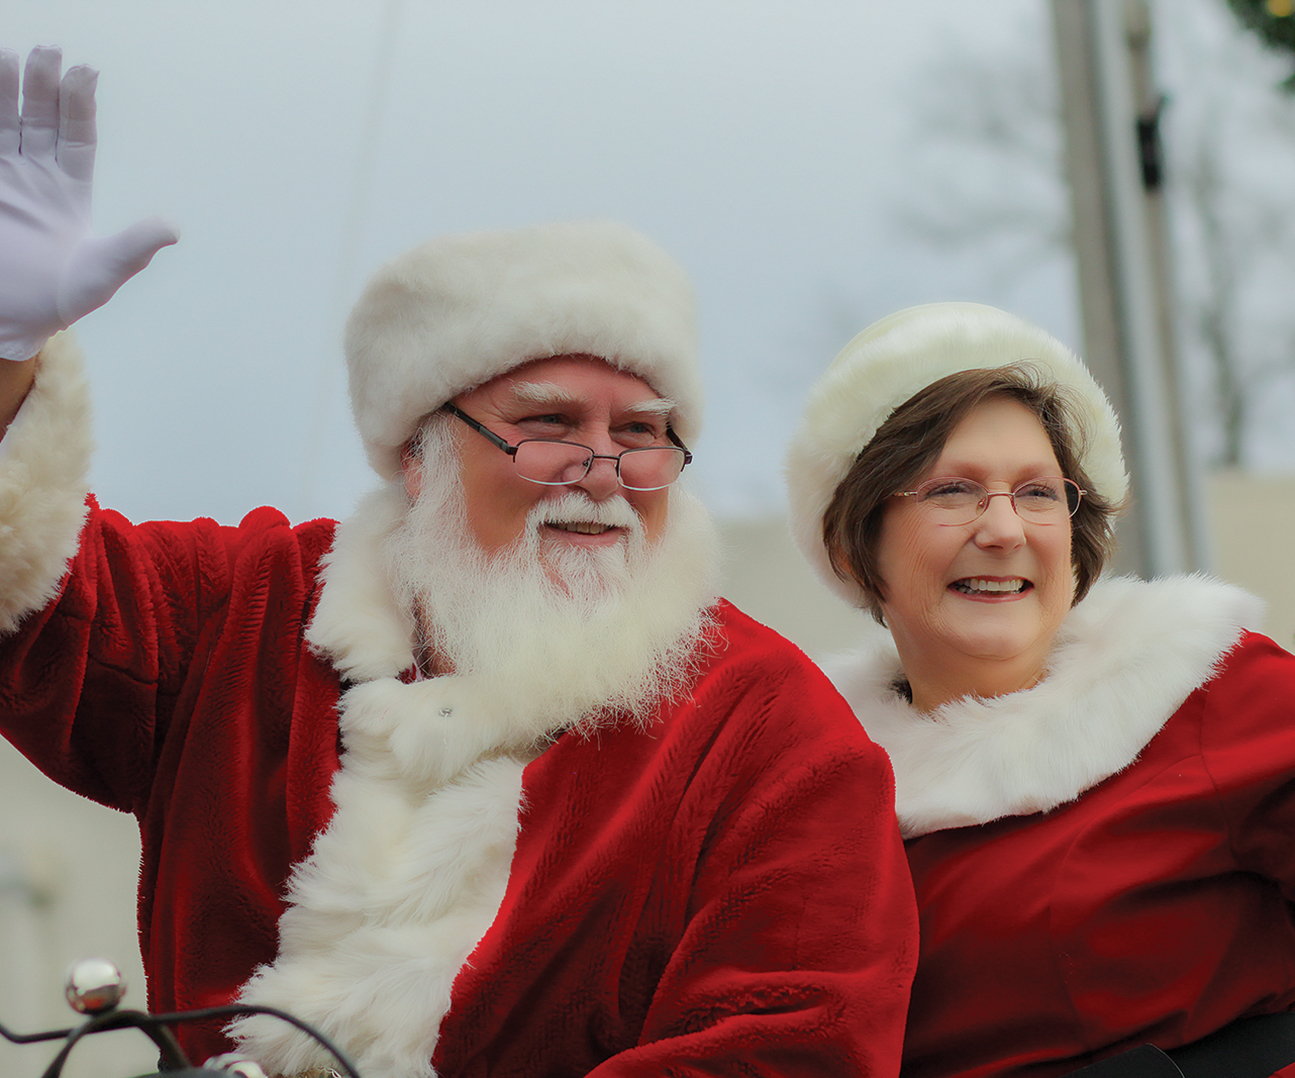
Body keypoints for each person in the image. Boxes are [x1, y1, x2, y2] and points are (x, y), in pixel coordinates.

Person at [0, 46, 918, 1078]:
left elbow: (801, 1043)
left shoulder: (769, 731)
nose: (604, 472)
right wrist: (5, 357)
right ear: (419, 457)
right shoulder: (247, 609)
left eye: (645, 432)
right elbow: (29, 588)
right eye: (549, 424)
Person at [783, 300, 1295, 1078]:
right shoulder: (809, 799)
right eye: (951, 490)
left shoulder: (1197, 689)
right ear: (857, 545)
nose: (1002, 530)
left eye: (1037, 492)